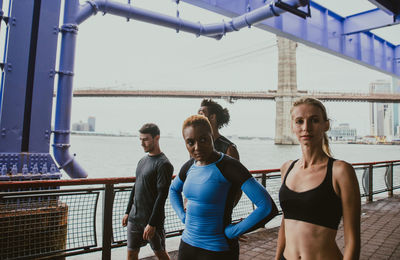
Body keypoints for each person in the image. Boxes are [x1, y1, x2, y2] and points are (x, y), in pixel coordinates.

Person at [170, 115, 278, 260]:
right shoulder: (189, 166)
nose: (197, 147)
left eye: (203, 139)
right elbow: (173, 190)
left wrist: (234, 231)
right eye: (190, 142)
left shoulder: (229, 166)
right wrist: (183, 217)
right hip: (187, 246)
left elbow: (267, 206)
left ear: (212, 136)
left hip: (217, 249)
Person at [275, 98, 361, 260]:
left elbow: (352, 241)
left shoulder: (340, 171)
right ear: (293, 126)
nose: (306, 128)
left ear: (326, 125)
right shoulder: (287, 168)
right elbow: (286, 221)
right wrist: (277, 257)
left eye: (314, 120)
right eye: (299, 121)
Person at [122, 123, 174, 260]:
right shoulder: (142, 161)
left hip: (152, 221)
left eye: (145, 139)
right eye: (140, 140)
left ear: (156, 138)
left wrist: (152, 223)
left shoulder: (164, 164)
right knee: (131, 254)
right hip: (134, 218)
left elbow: (162, 196)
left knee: (160, 253)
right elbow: (136, 186)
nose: (142, 143)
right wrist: (128, 211)